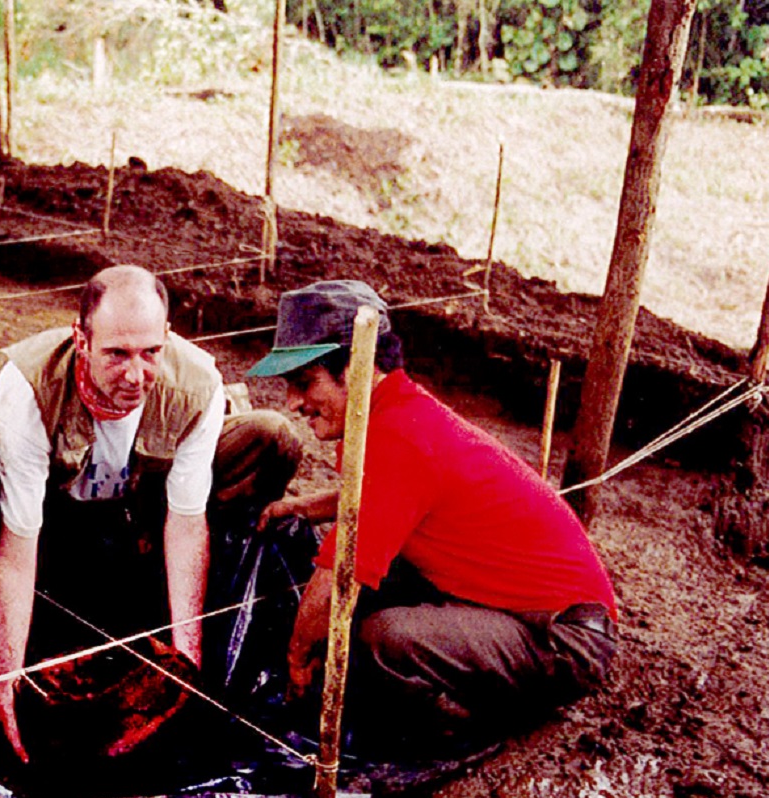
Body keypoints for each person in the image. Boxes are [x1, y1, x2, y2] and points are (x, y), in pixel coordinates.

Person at [0, 265, 301, 761]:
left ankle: (146, 571)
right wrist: (6, 680)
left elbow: (186, 525)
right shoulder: (29, 385)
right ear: (81, 339)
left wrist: (185, 669)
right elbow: (19, 542)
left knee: (269, 435)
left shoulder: (198, 380)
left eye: (151, 353)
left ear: (167, 336)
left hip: (137, 512)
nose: (135, 375)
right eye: (116, 354)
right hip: (49, 517)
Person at [247, 280, 617, 752]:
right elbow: (371, 499)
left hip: (566, 640)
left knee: (384, 638)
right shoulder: (396, 415)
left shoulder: (399, 440)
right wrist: (302, 506)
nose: (293, 404)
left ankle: (470, 725)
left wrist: (298, 658)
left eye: (305, 383)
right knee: (376, 597)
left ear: (358, 369)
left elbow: (338, 573)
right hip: (521, 608)